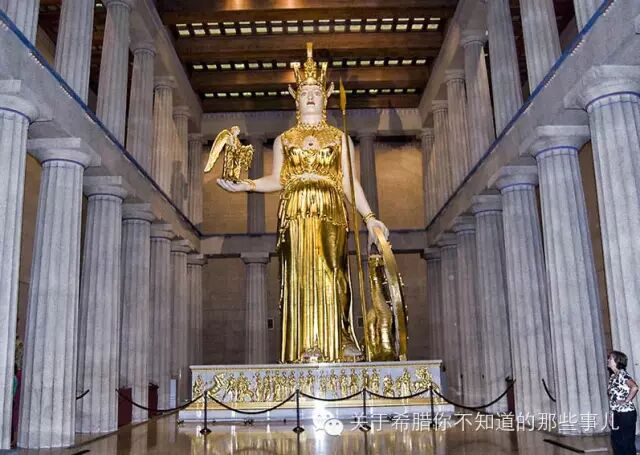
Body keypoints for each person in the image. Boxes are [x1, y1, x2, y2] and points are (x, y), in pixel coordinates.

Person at [217, 43, 389, 363]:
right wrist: (247, 185)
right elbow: (279, 179)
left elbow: (349, 182)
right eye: (305, 91)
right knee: (299, 276)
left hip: (330, 210)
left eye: (316, 91)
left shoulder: (339, 137)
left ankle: (341, 340)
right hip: (295, 213)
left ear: (325, 98)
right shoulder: (284, 139)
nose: (310, 95)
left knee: (333, 272)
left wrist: (369, 218)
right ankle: (305, 345)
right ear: (297, 98)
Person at [608, 350, 638, 455]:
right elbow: (613, 398)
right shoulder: (613, 377)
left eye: (610, 358)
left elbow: (634, 387)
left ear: (617, 361)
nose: (608, 360)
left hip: (626, 414)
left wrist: (626, 401)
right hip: (616, 413)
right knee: (616, 442)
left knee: (626, 444)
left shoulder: (622, 374)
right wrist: (611, 414)